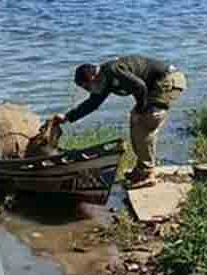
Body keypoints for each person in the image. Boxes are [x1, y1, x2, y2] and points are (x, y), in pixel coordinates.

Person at [54, 55, 187, 188]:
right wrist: (67, 117)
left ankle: (148, 174)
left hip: (168, 79)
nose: (88, 91)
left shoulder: (112, 70)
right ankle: (141, 170)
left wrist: (140, 111)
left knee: (147, 120)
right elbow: (92, 104)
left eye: (87, 87)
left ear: (92, 77)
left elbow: (140, 86)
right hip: (154, 86)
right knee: (136, 122)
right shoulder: (103, 83)